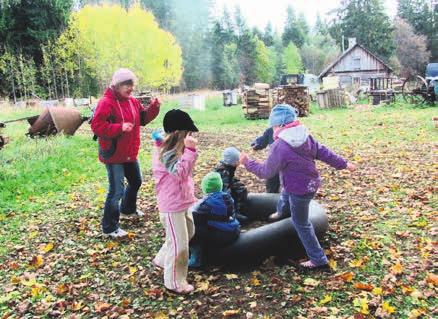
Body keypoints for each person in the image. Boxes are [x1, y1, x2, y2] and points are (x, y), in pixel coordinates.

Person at [239, 104, 356, 272]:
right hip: (308, 182)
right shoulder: (305, 136)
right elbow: (324, 152)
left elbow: (265, 172)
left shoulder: (280, 147)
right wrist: (344, 164)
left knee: (300, 223)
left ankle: (318, 259)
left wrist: (247, 162)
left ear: (280, 125)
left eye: (273, 126)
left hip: (300, 190)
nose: (272, 130)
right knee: (285, 193)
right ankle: (281, 211)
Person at [91, 68, 160, 238]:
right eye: (126, 85)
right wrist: (119, 127)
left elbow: (142, 119)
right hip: (114, 153)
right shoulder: (106, 102)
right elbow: (97, 126)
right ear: (116, 85)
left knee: (136, 181)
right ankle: (109, 228)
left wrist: (154, 107)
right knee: (116, 191)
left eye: (132, 85)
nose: (130, 88)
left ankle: (128, 209)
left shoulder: (132, 101)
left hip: (129, 151)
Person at [151, 109, 199, 294]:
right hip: (171, 206)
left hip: (181, 202)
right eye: (188, 132)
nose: (191, 136)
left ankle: (162, 260)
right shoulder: (167, 152)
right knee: (180, 245)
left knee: (189, 231)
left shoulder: (173, 149)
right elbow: (180, 173)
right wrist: (190, 151)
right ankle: (174, 282)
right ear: (179, 133)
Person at [188, 172, 240, 268]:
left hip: (222, 236)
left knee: (193, 229)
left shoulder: (205, 205)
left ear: (205, 188)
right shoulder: (227, 197)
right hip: (234, 230)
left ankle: (196, 258)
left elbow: (194, 215)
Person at [214, 147, 250, 224]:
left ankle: (240, 208)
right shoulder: (223, 171)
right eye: (237, 161)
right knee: (229, 195)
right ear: (232, 162)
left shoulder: (230, 166)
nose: (239, 162)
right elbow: (224, 189)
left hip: (228, 183)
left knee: (241, 188)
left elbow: (231, 178)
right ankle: (233, 214)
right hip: (220, 190)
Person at [251, 127, 280, 194]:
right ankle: (271, 197)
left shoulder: (292, 130)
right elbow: (263, 140)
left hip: (289, 162)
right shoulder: (271, 130)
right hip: (274, 163)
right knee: (272, 180)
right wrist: (256, 143)